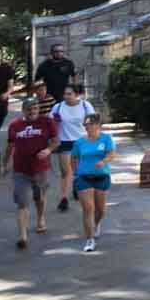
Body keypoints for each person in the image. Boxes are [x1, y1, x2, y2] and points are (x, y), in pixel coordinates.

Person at [3, 94, 56, 250]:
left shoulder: (47, 122)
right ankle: (22, 236)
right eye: (29, 109)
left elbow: (56, 141)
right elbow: (10, 146)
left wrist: (48, 150)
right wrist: (4, 164)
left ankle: (40, 218)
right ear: (23, 110)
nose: (32, 111)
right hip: (20, 169)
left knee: (39, 197)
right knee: (22, 202)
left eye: (35, 108)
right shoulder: (15, 125)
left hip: (40, 168)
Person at [70, 113, 115, 253]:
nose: (86, 127)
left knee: (101, 210)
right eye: (85, 125)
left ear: (97, 125)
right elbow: (73, 157)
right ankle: (90, 240)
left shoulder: (106, 139)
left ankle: (97, 224)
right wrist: (75, 173)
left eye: (88, 124)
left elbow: (111, 154)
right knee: (88, 209)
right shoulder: (79, 142)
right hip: (84, 178)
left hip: (102, 177)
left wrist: (103, 162)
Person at [48, 84, 95, 213]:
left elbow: (93, 123)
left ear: (77, 95)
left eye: (69, 94)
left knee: (80, 169)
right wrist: (54, 134)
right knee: (65, 171)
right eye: (65, 94)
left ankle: (76, 184)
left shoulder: (85, 106)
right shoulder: (58, 107)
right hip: (64, 141)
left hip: (82, 141)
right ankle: (64, 199)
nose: (66, 96)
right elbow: (50, 123)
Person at [33, 45, 76, 120]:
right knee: (50, 117)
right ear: (52, 53)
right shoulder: (44, 65)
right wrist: (40, 93)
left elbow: (74, 76)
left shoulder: (68, 63)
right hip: (49, 96)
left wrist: (74, 90)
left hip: (64, 94)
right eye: (57, 51)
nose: (59, 53)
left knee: (63, 116)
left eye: (61, 51)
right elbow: (37, 81)